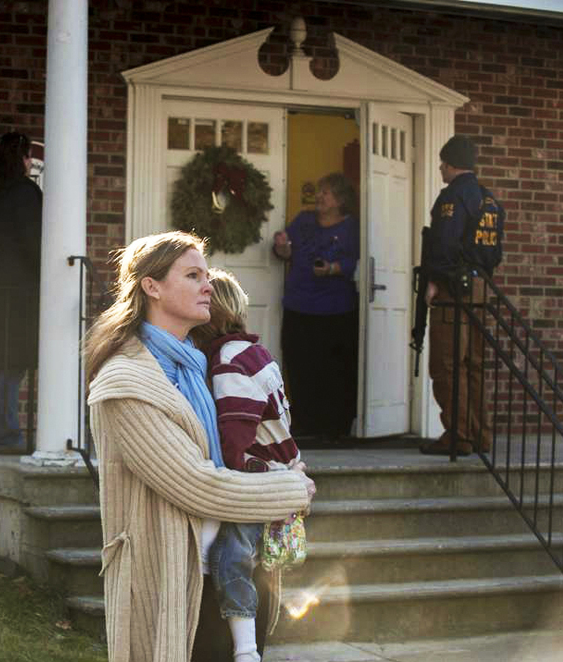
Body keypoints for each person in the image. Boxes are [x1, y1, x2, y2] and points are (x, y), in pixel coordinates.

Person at [85, 231, 316, 662]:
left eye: (207, 275)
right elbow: (195, 484)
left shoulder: (202, 365)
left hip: (236, 569)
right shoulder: (127, 381)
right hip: (178, 581)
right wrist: (290, 489)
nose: (208, 285)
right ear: (151, 287)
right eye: (193, 275)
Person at [192, 268, 303, 662]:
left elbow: (237, 430)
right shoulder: (256, 352)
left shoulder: (228, 360)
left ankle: (245, 649)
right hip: (280, 470)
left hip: (258, 476)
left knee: (229, 558)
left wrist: (224, 472)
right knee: (250, 558)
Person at [419, 135, 497, 456]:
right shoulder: (488, 199)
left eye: (442, 162)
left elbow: (446, 243)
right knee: (473, 364)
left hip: (454, 290)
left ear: (451, 164)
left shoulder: (453, 197)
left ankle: (458, 435)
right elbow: (494, 251)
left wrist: (435, 280)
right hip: (480, 288)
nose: (440, 168)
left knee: (447, 364)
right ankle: (480, 434)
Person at [272, 172, 359, 438]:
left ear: (341, 199)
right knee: (300, 368)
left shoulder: (352, 228)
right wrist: (282, 247)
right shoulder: (304, 220)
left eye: (326, 193)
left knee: (333, 372)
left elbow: (359, 261)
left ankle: (335, 427)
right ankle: (304, 424)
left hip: (336, 311)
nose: (319, 197)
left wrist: (333, 268)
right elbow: (284, 252)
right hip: (299, 305)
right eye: (319, 191)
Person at [0, 132, 42, 454]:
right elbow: (35, 242)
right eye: (28, 155)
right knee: (13, 363)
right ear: (20, 158)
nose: (31, 162)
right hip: (18, 290)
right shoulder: (25, 192)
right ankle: (7, 436)